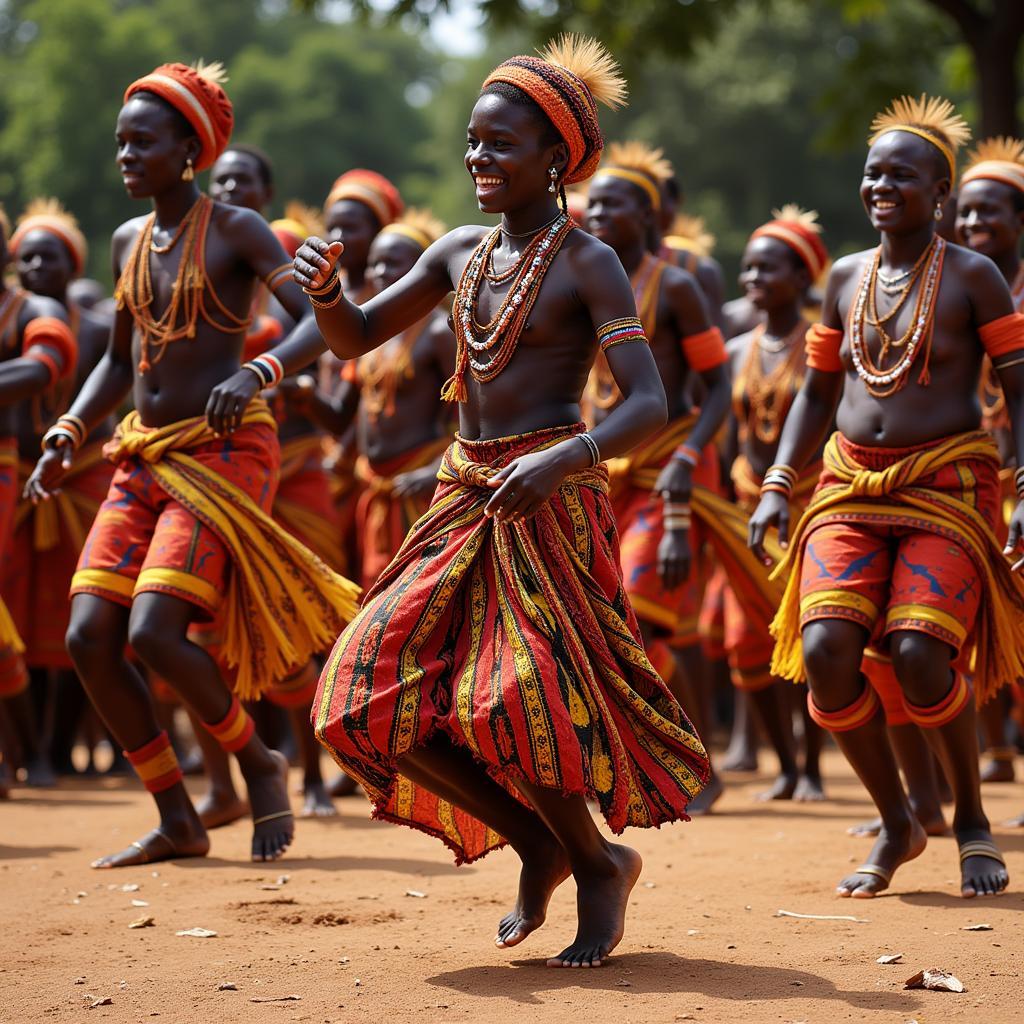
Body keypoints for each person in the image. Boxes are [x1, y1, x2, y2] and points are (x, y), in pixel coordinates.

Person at [295, 36, 711, 967]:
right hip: (462, 491)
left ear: (556, 159)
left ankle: (598, 865)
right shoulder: (455, 253)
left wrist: (568, 460)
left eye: (501, 145)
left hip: (544, 498)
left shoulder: (589, 261)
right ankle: (538, 843)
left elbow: (650, 402)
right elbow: (356, 337)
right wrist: (326, 295)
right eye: (473, 143)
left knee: (507, 700)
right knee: (353, 698)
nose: (480, 159)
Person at [26, 60, 359, 868]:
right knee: (89, 634)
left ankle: (258, 760)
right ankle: (177, 814)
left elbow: (320, 324)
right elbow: (116, 362)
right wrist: (70, 427)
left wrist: (258, 371)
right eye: (120, 142)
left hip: (228, 452)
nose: (125, 155)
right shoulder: (126, 241)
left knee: (157, 629)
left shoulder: (240, 229)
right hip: (142, 453)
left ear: (189, 148)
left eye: (143, 141)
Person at [749, 95, 1024, 899]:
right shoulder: (844, 277)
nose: (881, 184)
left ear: (940, 192)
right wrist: (776, 481)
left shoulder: (973, 277)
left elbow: (1018, 384)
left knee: (918, 653)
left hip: (945, 484)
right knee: (829, 653)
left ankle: (969, 817)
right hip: (846, 484)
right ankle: (900, 821)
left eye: (902, 174)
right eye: (873, 172)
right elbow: (814, 391)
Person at [584, 141, 732, 812]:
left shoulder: (675, 287)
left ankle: (699, 757)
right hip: (599, 474)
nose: (596, 213)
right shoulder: (584, 277)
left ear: (647, 217)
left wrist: (685, 457)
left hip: (663, 471)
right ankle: (653, 757)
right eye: (593, 203)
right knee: (603, 622)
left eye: (612, 204)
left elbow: (717, 387)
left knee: (642, 615)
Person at [6, 199, 116, 780]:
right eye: (26, 258)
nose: (36, 267)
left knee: (80, 615)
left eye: (49, 257)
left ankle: (57, 749)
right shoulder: (15, 321)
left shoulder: (98, 330)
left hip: (85, 480)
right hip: (20, 486)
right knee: (20, 620)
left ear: (72, 266)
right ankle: (24, 751)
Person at [724, 206, 830, 802]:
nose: (752, 279)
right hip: (746, 507)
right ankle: (785, 767)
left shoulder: (822, 345)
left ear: (801, 276)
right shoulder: (738, 349)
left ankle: (813, 768)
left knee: (812, 637)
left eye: (768, 268)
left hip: (811, 500)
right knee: (745, 644)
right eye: (748, 268)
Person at [295, 209, 456, 590]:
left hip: (420, 489)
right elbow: (339, 418)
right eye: (377, 264)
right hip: (376, 488)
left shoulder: (438, 331)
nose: (381, 273)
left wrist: (435, 468)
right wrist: (302, 394)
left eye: (394, 264)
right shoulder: (369, 334)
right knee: (375, 594)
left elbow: (475, 413)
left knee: (419, 597)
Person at [955, 137, 1024, 789]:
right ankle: (991, 754)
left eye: (990, 213)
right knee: (971, 620)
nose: (975, 226)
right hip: (967, 484)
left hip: (1016, 483)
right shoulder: (949, 290)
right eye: (966, 214)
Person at [0, 204, 76, 789]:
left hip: (23, 474)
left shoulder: (34, 311)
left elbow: (43, 365)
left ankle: (33, 750)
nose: (35, 264)